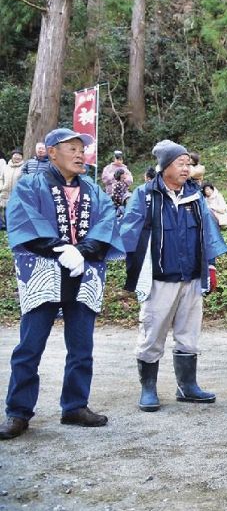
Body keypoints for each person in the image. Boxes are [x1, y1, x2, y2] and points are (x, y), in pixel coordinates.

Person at [0, 128, 124, 440]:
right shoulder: (31, 184)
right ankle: (18, 411)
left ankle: (74, 405)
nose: (80, 154)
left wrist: (81, 251)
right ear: (52, 152)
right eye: (72, 148)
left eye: (82, 149)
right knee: (30, 345)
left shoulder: (93, 189)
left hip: (84, 270)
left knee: (82, 345)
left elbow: (107, 220)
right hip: (43, 270)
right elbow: (23, 220)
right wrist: (61, 249)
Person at [120, 140, 227, 413]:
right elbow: (128, 234)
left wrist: (211, 267)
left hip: (192, 278)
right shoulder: (145, 195)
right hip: (159, 279)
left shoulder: (194, 196)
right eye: (181, 163)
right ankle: (148, 388)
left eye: (188, 164)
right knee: (152, 333)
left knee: (189, 334)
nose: (187, 169)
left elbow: (208, 235)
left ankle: (187, 386)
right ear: (164, 167)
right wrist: (132, 269)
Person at [0, 149, 24, 230]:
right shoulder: (6, 167)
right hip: (5, 193)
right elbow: (1, 178)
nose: (17, 157)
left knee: (17, 212)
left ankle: (17, 229)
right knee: (6, 212)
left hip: (17, 193)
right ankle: (8, 228)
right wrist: (1, 186)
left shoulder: (24, 167)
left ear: (22, 157)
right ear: (12, 156)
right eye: (15, 155)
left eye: (19, 155)